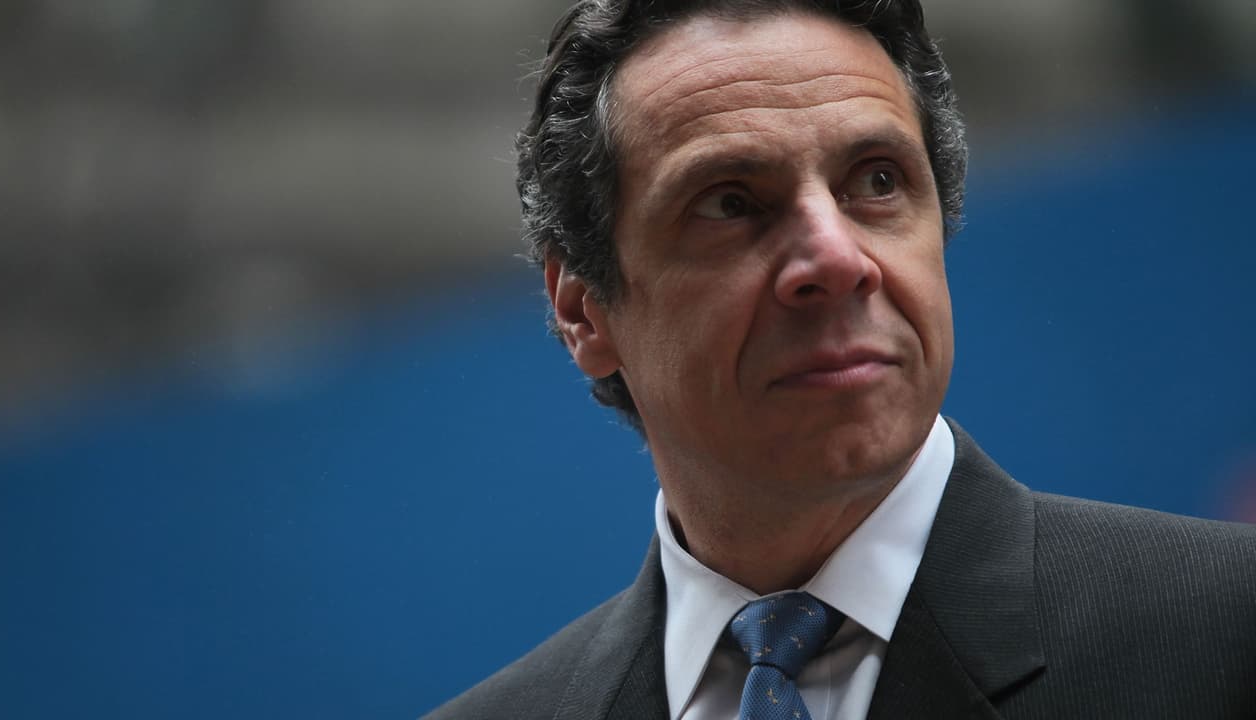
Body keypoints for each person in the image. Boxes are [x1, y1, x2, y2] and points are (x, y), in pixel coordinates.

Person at [427, 0, 1256, 717]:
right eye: (730, 202)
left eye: (878, 181)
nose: (835, 257)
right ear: (583, 310)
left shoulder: (1225, 636)